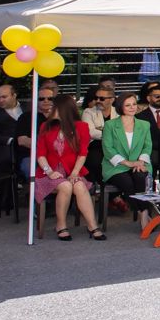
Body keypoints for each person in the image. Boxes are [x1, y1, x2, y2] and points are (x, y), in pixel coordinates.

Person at [35, 93, 101, 241]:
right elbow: (40, 154)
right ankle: (61, 225)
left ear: (64, 109)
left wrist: (75, 173)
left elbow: (83, 153)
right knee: (65, 186)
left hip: (72, 170)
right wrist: (49, 172)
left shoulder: (81, 127)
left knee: (79, 186)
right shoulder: (45, 126)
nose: (51, 111)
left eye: (54, 108)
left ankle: (92, 226)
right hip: (48, 172)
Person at [102, 93, 155, 229]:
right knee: (127, 182)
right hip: (116, 166)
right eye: (128, 105)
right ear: (121, 107)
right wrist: (128, 163)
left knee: (140, 177)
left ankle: (143, 214)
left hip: (139, 163)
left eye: (134, 104)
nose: (132, 107)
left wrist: (141, 161)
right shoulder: (110, 125)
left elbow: (147, 146)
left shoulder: (144, 124)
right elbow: (108, 149)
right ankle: (144, 213)